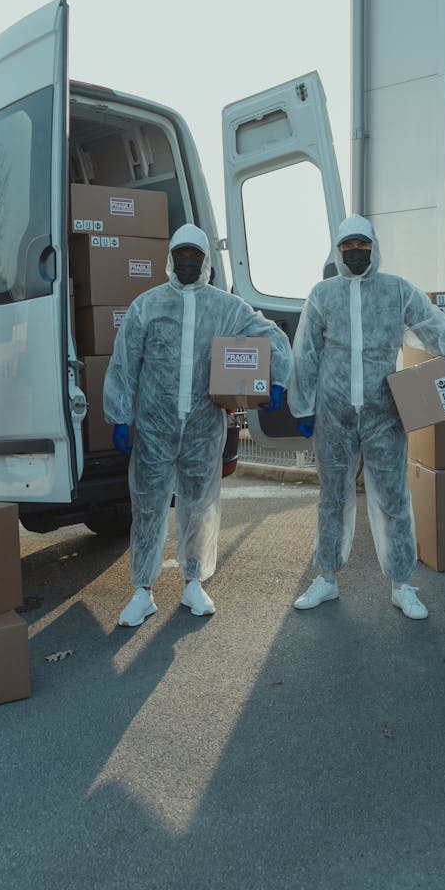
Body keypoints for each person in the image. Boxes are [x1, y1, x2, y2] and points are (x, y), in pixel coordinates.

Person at [288, 214, 445, 620]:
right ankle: (327, 579)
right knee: (332, 498)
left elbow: (436, 328)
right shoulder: (322, 294)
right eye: (348, 247)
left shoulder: (396, 291)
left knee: (392, 498)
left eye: (362, 246)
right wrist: (302, 405)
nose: (355, 254)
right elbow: (306, 351)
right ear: (338, 251)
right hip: (333, 411)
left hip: (384, 412)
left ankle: (402, 585)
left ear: (374, 247)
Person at [104, 223, 292, 627]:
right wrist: (120, 414)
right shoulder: (147, 305)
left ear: (206, 261)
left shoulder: (226, 307)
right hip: (155, 427)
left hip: (204, 424)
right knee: (149, 504)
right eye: (182, 254)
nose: (188, 262)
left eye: (196, 255)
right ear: (170, 258)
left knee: (199, 504)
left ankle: (194, 582)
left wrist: (276, 379)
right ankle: (143, 590)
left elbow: (271, 336)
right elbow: (124, 363)